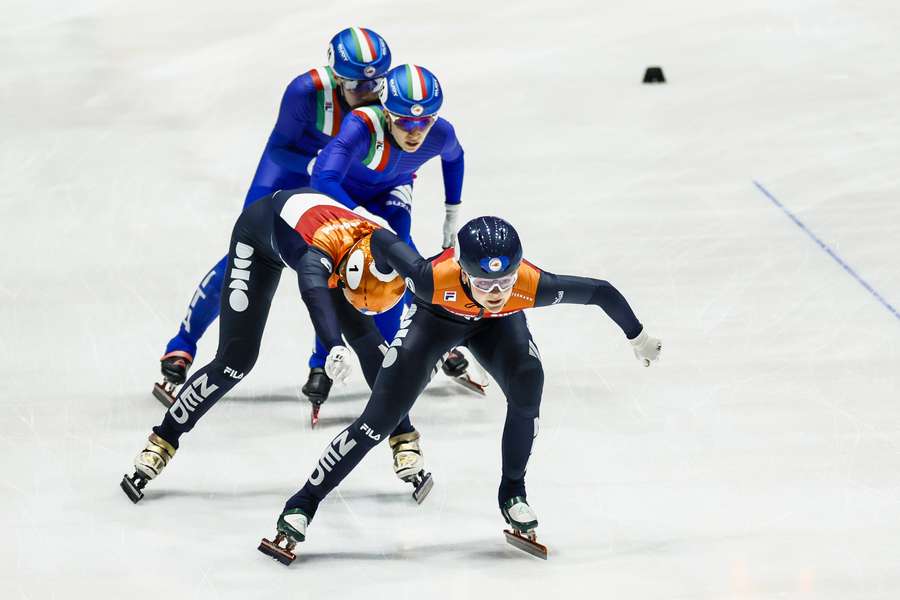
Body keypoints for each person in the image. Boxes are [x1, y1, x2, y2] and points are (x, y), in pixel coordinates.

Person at [259, 216, 662, 564]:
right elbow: (380, 239)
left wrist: (637, 336)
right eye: (485, 282)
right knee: (376, 423)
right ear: (463, 270)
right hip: (434, 322)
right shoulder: (430, 277)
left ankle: (513, 492)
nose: (496, 291)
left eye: (505, 280)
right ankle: (303, 503)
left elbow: (600, 291)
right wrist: (369, 270)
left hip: (498, 327)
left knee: (528, 386)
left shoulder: (530, 286)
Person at [122, 190, 434, 504]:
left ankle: (403, 435)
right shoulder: (317, 258)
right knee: (235, 360)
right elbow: (315, 297)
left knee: (369, 341)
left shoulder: (387, 244)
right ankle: (163, 439)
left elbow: (431, 279)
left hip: (341, 252)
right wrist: (333, 346)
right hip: (260, 235)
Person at [154, 28, 391, 406]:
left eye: (376, 83)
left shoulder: (384, 101)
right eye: (358, 86)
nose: (370, 94)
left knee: (339, 263)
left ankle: (321, 361)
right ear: (337, 78)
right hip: (287, 172)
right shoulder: (305, 92)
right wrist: (316, 163)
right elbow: (281, 148)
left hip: (330, 179)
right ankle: (182, 344)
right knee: (241, 260)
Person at [305, 62, 486, 401]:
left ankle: (431, 345)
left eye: (424, 121)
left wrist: (452, 214)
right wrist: (362, 218)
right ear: (387, 114)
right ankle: (321, 361)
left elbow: (455, 158)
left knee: (405, 265)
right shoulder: (361, 125)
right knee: (341, 272)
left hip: (391, 192)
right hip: (342, 193)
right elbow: (323, 180)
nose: (416, 131)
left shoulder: (441, 133)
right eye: (405, 121)